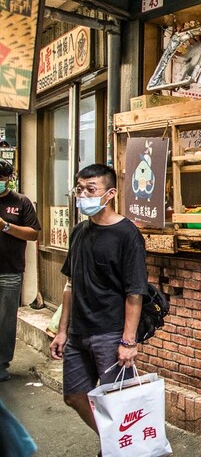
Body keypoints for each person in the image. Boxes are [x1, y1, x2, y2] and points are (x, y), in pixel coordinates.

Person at [49, 164, 148, 436]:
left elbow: (135, 292)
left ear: (110, 193)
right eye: (79, 189)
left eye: (91, 190)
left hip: (110, 333)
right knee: (74, 394)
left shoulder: (127, 235)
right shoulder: (79, 231)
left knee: (116, 401)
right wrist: (61, 330)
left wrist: (128, 341)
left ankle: (121, 449)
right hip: (78, 332)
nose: (83, 195)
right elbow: (70, 283)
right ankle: (115, 443)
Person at [0, 159, 40, 382]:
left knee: (6, 320)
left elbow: (33, 234)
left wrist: (6, 226)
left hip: (10, 270)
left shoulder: (21, 202)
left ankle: (1, 363)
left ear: (9, 179)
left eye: (2, 179)